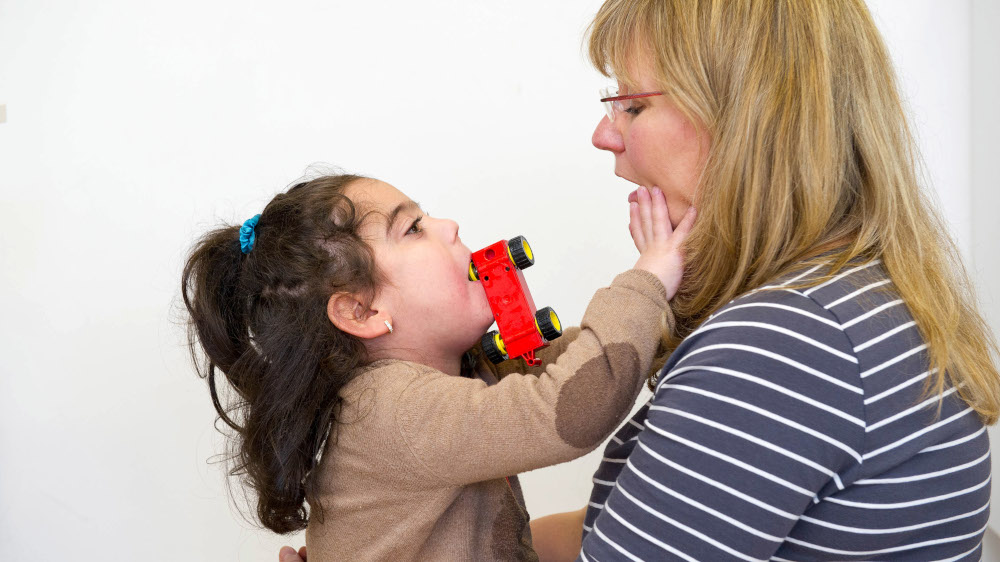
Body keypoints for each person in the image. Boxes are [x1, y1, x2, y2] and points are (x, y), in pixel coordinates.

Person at [282, 0, 1000, 559]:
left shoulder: (785, 343)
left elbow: (567, 417)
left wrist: (643, 288)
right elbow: (615, 533)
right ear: (359, 310)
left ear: (745, 119)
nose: (604, 133)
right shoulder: (852, 305)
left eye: (633, 104)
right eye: (411, 229)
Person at [183, 174, 695, 561]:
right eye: (414, 228)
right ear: (362, 312)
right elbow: (571, 406)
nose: (450, 227)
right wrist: (647, 281)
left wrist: (676, 317)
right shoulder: (393, 410)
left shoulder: (448, 380)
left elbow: (569, 365)